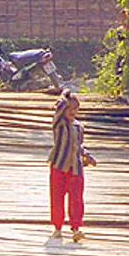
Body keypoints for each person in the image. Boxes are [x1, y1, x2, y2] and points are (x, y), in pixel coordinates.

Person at [48, 89, 96, 242]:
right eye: (69, 108)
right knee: (57, 197)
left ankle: (76, 228)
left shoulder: (78, 127)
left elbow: (79, 145)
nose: (72, 112)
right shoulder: (59, 124)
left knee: (76, 198)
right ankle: (57, 227)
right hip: (59, 165)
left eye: (75, 109)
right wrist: (65, 96)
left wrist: (87, 155)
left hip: (75, 167)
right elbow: (58, 110)